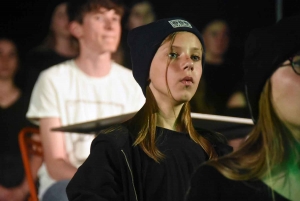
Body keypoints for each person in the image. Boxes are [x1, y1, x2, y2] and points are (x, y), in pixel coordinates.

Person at [66, 17, 232, 201]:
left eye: (195, 57)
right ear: (146, 68)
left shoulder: (215, 147)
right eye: (173, 54)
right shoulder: (117, 146)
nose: (188, 64)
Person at [26, 0, 145, 200]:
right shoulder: (53, 79)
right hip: (66, 183)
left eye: (115, 19)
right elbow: (56, 165)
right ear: (76, 29)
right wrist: (103, 184)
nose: (110, 26)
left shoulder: (132, 83)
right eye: (99, 18)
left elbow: (138, 154)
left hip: (118, 185)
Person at [185, 14, 300, 201]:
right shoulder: (219, 185)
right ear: (265, 85)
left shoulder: (232, 74)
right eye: (299, 63)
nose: (221, 40)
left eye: (225, 34)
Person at [0, 37, 40, 201]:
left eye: (12, 55)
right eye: (0, 54)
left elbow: (39, 149)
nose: (5, 60)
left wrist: (23, 189)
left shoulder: (31, 104)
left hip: (24, 181)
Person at [189, 19, 244, 116]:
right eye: (214, 34)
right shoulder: (190, 69)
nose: (220, 39)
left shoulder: (238, 72)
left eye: (225, 34)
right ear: (202, 36)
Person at [24, 1, 78, 94]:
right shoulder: (37, 59)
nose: (67, 19)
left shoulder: (84, 56)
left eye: (70, 14)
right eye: (61, 16)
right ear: (51, 21)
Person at [112, 0, 156, 68]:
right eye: (137, 15)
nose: (144, 19)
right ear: (127, 21)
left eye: (147, 14)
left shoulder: (163, 46)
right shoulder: (118, 51)